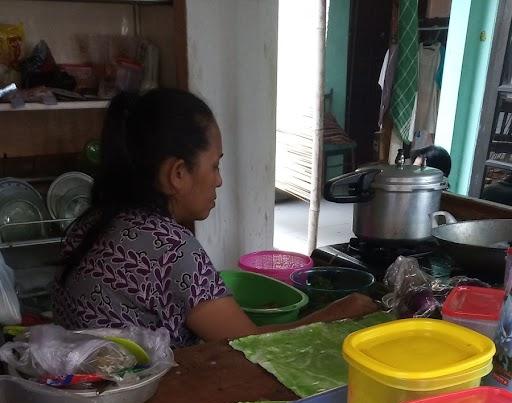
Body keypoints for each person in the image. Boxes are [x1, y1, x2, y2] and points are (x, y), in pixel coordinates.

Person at [53, 88, 373, 346]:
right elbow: (251, 348)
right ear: (178, 174)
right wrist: (341, 312)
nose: (219, 180)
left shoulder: (88, 224)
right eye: (214, 165)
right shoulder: (174, 250)